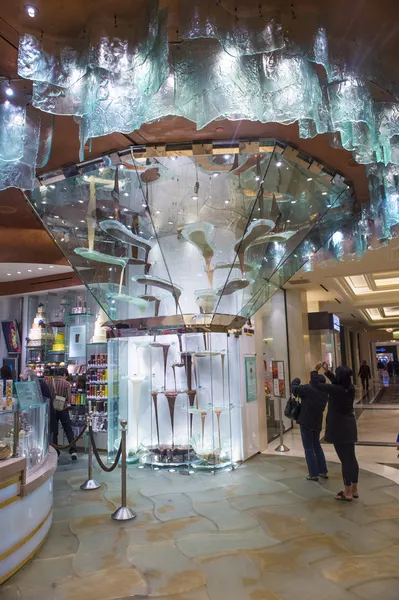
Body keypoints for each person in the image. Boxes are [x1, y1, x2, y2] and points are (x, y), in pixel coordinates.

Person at [313, 363, 358, 501]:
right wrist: (328, 372)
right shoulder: (349, 388)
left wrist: (315, 371)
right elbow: (337, 383)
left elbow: (316, 385)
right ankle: (354, 489)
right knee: (351, 458)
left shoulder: (336, 390)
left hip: (339, 428)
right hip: (349, 426)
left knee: (345, 460)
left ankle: (347, 492)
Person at [291, 372, 328, 481]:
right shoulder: (325, 392)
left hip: (306, 422)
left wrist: (296, 380)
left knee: (308, 448)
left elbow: (294, 389)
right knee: (317, 446)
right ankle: (323, 471)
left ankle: (313, 474)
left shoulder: (308, 389)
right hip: (317, 422)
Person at [20, 368, 57, 444]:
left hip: (46, 420)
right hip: (43, 420)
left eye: (25, 380)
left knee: (46, 444)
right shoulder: (40, 384)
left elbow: (37, 402)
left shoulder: (38, 385)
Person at [51, 367, 78, 461]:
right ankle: (73, 451)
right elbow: (69, 398)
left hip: (52, 409)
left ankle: (55, 451)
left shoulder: (50, 382)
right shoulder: (66, 384)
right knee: (68, 429)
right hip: (63, 408)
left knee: (54, 431)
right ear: (65, 375)